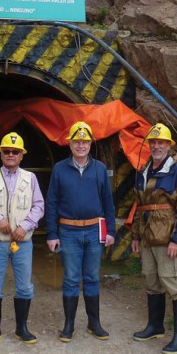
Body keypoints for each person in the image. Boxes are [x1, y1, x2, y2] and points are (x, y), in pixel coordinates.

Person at [0, 132, 45, 346]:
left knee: (24, 287)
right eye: (7, 151)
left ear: (22, 155)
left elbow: (39, 205)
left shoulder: (30, 178)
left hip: (22, 243)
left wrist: (25, 226)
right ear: (1, 155)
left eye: (15, 152)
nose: (11, 154)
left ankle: (22, 329)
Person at [45, 121, 116, 342]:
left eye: (85, 141)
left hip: (95, 230)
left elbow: (108, 202)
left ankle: (94, 324)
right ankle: (69, 326)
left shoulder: (100, 169)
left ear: (90, 143)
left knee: (93, 277)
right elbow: (52, 202)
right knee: (71, 279)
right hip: (69, 231)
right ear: (70, 144)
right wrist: (51, 234)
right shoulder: (59, 169)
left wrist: (111, 230)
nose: (81, 145)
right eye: (77, 141)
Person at [130, 123, 177, 354]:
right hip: (148, 238)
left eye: (162, 143)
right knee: (152, 281)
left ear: (169, 145)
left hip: (167, 238)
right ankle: (155, 327)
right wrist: (136, 235)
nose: (157, 146)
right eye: (153, 142)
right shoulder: (145, 170)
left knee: (174, 284)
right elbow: (140, 206)